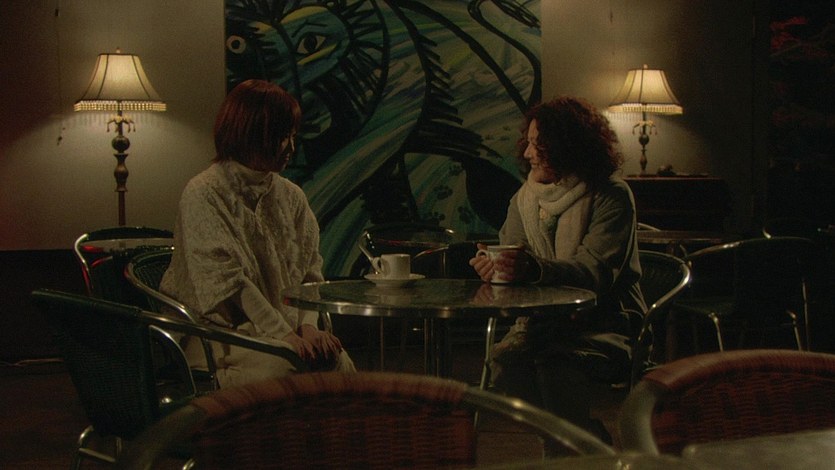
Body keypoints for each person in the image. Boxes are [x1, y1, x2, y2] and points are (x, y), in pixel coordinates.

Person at [469, 96, 646, 439]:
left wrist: (532, 270)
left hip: (606, 322)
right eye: (528, 142)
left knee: (554, 365)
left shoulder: (610, 195)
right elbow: (514, 256)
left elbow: (594, 273)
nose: (527, 153)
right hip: (543, 322)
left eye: (538, 145)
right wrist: (495, 269)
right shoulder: (525, 199)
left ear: (567, 147)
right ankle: (580, 440)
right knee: (504, 363)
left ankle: (569, 448)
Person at [161, 79, 355, 387]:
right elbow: (229, 285)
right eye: (281, 137)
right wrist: (285, 336)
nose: (290, 148)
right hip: (219, 335)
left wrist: (308, 328)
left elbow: (310, 274)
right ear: (249, 134)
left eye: (292, 136)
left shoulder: (290, 196)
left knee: (335, 359)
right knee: (286, 366)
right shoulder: (205, 192)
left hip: (286, 327)